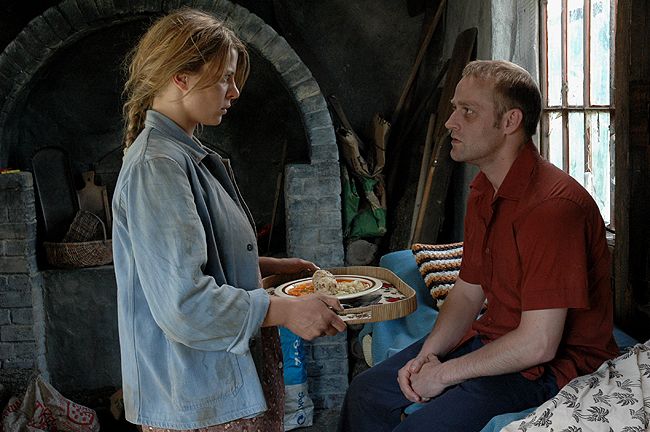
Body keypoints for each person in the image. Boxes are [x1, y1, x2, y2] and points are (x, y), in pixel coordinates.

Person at [338, 60, 620, 432]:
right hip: (495, 338)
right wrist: (427, 356)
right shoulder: (484, 190)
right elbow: (468, 291)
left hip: (553, 368)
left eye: (467, 111)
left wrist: (444, 375)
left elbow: (539, 344)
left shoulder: (553, 209)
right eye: (455, 108)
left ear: (510, 121)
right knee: (365, 393)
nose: (450, 122)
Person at [113, 8, 346, 432]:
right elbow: (184, 303)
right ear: (181, 77)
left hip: (217, 387)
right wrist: (284, 310)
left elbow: (193, 263)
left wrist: (268, 268)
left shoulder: (185, 156)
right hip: (196, 398)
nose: (235, 91)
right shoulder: (158, 166)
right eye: (225, 78)